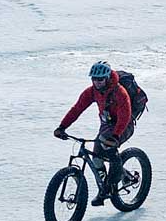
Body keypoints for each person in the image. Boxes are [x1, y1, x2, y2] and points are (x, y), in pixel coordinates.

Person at [54, 61, 132, 206]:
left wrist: (115, 136)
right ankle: (105, 187)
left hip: (124, 125)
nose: (97, 82)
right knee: (97, 154)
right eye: (94, 79)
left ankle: (111, 186)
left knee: (108, 148)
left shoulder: (120, 92)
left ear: (108, 78)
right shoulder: (91, 92)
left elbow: (125, 116)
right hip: (107, 125)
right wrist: (62, 126)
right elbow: (77, 109)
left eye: (100, 79)